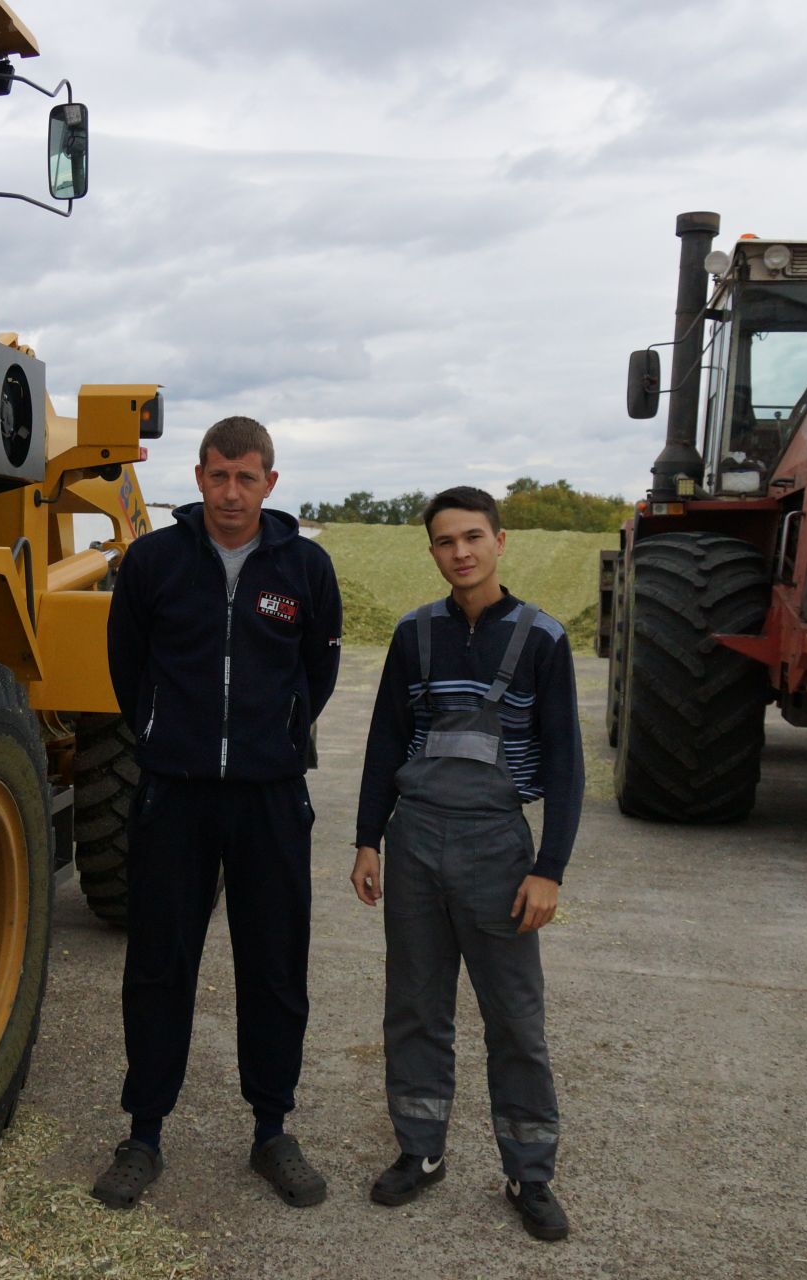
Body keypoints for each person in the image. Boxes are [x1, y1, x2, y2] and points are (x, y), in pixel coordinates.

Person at [92, 416, 344, 1211]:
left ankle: (272, 1132)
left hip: (271, 797)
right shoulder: (153, 562)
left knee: (273, 966)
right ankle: (143, 1133)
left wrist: (274, 738)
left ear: (271, 483)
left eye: (247, 477)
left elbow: (320, 669)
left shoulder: (305, 566)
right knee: (160, 965)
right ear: (197, 478)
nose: (231, 492)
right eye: (217, 475)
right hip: (175, 794)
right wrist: (173, 736)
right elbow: (127, 670)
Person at [349, 484, 583, 1242]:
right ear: (433, 550)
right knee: (415, 1007)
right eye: (446, 541)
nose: (461, 552)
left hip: (496, 847)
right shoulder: (415, 635)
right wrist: (367, 839)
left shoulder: (542, 638)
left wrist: (549, 868)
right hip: (415, 841)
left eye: (474, 537)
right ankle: (420, 1152)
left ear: (500, 541)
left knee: (515, 1018)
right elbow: (387, 742)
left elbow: (568, 763)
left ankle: (530, 1171)